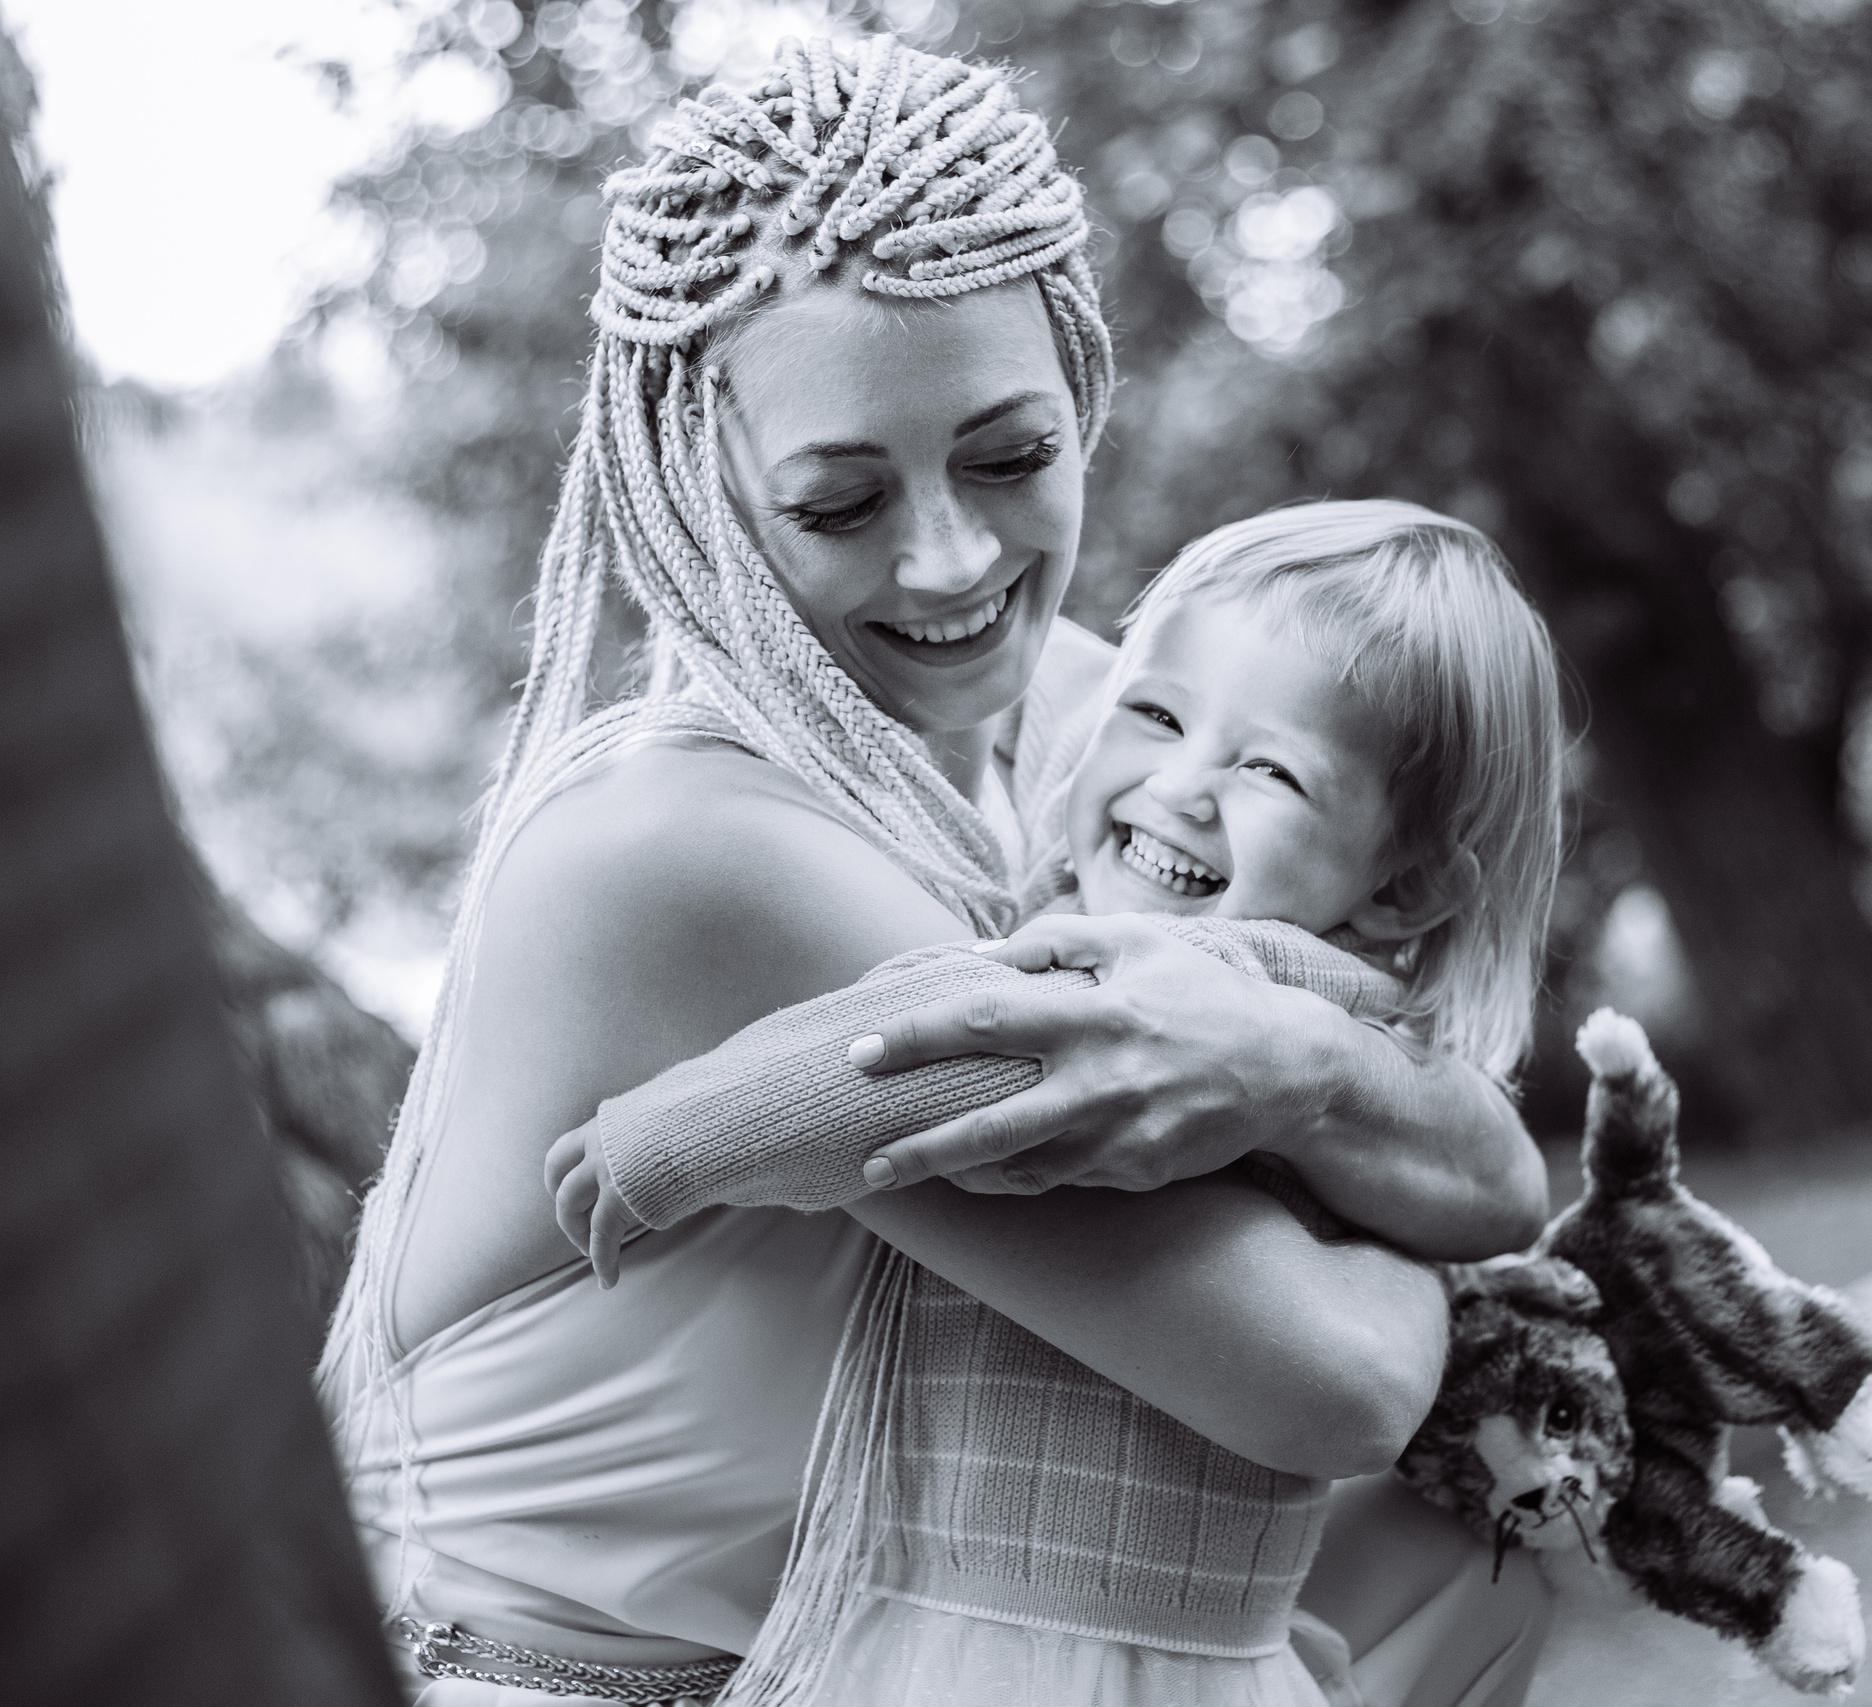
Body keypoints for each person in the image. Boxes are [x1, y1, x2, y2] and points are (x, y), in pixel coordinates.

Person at [319, 35, 1549, 1707]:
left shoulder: (1095, 732)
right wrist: (1380, 1170)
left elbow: (1482, 1150)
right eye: (840, 504)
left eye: (1005, 455)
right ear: (704, 494)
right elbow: (1326, 1378)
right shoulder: (697, 850)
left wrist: (1296, 1055)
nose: (954, 560)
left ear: (1085, 385)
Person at [542, 499, 1568, 1706]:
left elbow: (932, 1050)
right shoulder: (1332, 1010)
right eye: (1156, 714)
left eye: (1271, 770)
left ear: (1400, 890)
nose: (1181, 786)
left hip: (1040, 1642)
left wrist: (673, 1135)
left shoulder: (1219, 980)